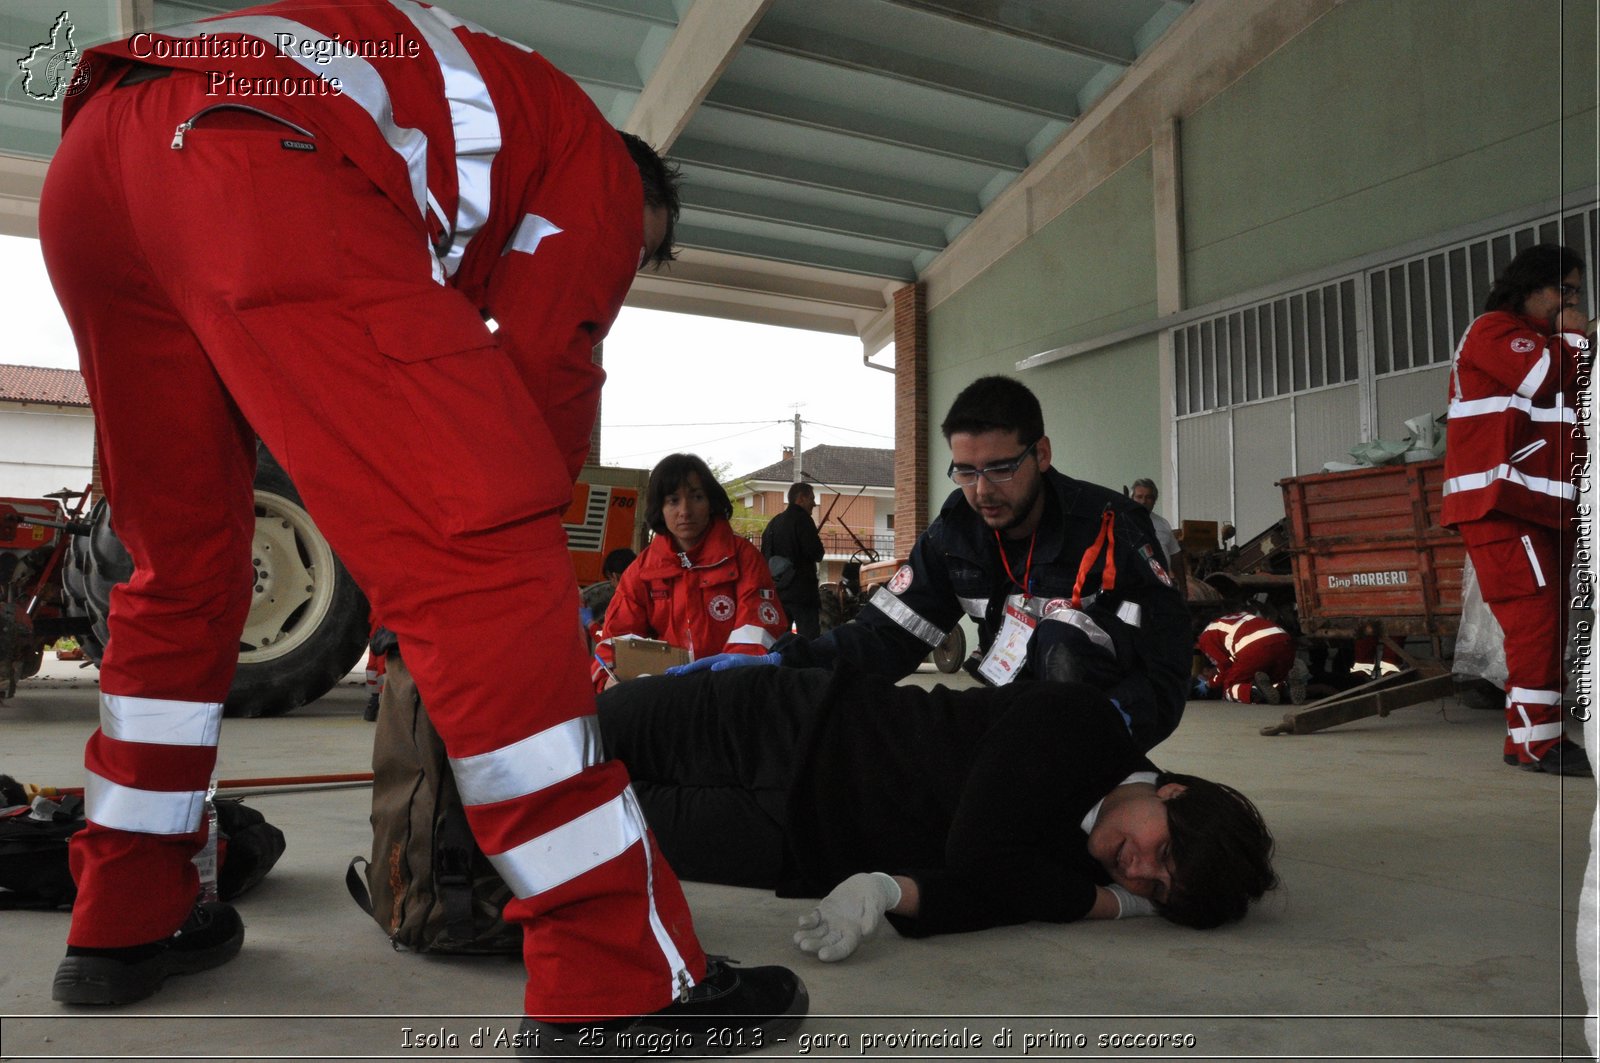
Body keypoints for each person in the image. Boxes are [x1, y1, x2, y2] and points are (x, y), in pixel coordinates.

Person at [38, 0, 805, 1048]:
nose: (614, 277)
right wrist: (511, 596)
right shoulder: (595, 165)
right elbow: (540, 388)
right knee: (484, 541)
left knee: (179, 571)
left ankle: (127, 913)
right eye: (634, 257)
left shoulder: (458, 133)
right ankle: (614, 970)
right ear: (639, 199)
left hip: (96, 167)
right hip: (247, 154)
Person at [598, 666, 1278, 960]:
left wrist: (886, 889)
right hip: (786, 721)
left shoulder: (1072, 868)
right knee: (557, 739)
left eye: (1153, 889)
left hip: (789, 840)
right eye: (1162, 852)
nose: (1136, 868)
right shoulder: (1084, 724)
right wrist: (1113, 906)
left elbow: (974, 894)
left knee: (579, 828)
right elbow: (982, 857)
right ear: (1174, 792)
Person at [700, 376, 1192, 753]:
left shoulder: (1114, 528)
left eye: (1000, 468)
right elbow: (881, 638)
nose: (982, 490)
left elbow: (1165, 666)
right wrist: (782, 663)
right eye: (966, 471)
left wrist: (1116, 723)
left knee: (1062, 641)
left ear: (1041, 453)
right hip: (1008, 718)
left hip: (1096, 730)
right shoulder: (954, 533)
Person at [1442, 244, 1594, 776]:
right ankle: (1538, 745)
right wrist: (1576, 333)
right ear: (1531, 287)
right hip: (1502, 506)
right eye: (1565, 290)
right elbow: (1541, 378)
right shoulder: (1495, 332)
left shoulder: (1552, 345)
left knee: (1547, 625)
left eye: (1577, 291)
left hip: (1542, 510)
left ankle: (1528, 739)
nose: (1572, 302)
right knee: (1537, 622)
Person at [593, 454, 789, 689]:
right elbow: (614, 645)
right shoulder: (641, 572)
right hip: (664, 699)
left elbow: (759, 631)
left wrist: (725, 680)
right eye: (673, 500)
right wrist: (610, 682)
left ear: (711, 502)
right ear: (660, 508)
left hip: (732, 691)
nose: (685, 511)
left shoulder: (744, 558)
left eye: (696, 497)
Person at [1193, 611, 1307, 705]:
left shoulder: (1205, 637)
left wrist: (1209, 684)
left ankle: (1255, 690)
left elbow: (1226, 669)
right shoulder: (1235, 617)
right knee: (1271, 679)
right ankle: (1286, 686)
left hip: (1256, 649)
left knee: (1229, 687)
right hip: (1285, 643)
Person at [761, 483, 826, 638]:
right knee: (809, 640)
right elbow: (816, 553)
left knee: (781, 639)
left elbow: (764, 556)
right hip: (802, 593)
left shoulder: (773, 523)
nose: (814, 503)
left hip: (778, 592)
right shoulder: (803, 519)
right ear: (801, 498)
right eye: (812, 498)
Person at [1130, 478, 1189, 600]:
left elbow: (1175, 557)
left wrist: (1183, 587)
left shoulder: (1163, 524)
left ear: (1154, 500)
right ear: (1132, 498)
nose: (1143, 501)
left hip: (1160, 586)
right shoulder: (1123, 523)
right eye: (1139, 497)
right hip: (1132, 587)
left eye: (1148, 497)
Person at [580, 547, 637, 649]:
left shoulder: (624, 604)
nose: (612, 584)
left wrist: (590, 624)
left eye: (611, 580)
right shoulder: (647, 594)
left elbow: (608, 642)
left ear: (614, 576)